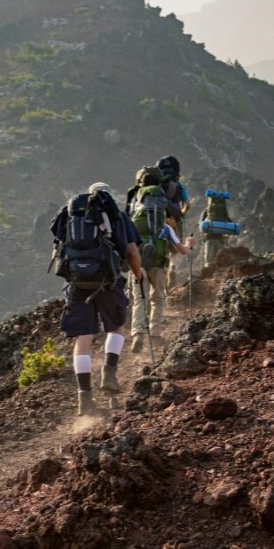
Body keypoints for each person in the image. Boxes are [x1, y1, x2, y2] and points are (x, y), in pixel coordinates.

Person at [51, 184, 144, 416]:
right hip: (107, 281)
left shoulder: (69, 216)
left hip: (77, 284)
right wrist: (138, 273)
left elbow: (58, 251)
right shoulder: (117, 216)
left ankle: (85, 399)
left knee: (83, 338)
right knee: (116, 327)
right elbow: (132, 252)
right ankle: (109, 373)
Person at [129, 203, 195, 354]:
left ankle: (137, 334)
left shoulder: (133, 225)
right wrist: (189, 244)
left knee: (139, 299)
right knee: (157, 299)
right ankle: (155, 333)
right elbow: (182, 251)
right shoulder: (165, 227)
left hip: (138, 267)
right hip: (158, 267)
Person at [156, 155, 191, 292]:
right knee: (175, 249)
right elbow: (187, 205)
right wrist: (181, 213)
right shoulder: (179, 186)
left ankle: (162, 274)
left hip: (159, 220)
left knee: (160, 249)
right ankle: (173, 269)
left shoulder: (156, 185)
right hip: (175, 221)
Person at [201, 191, 233, 268]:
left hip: (209, 239)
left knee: (209, 261)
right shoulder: (224, 212)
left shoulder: (207, 212)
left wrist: (204, 234)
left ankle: (209, 276)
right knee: (221, 261)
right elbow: (230, 224)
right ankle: (220, 277)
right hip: (220, 239)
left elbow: (201, 226)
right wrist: (227, 236)